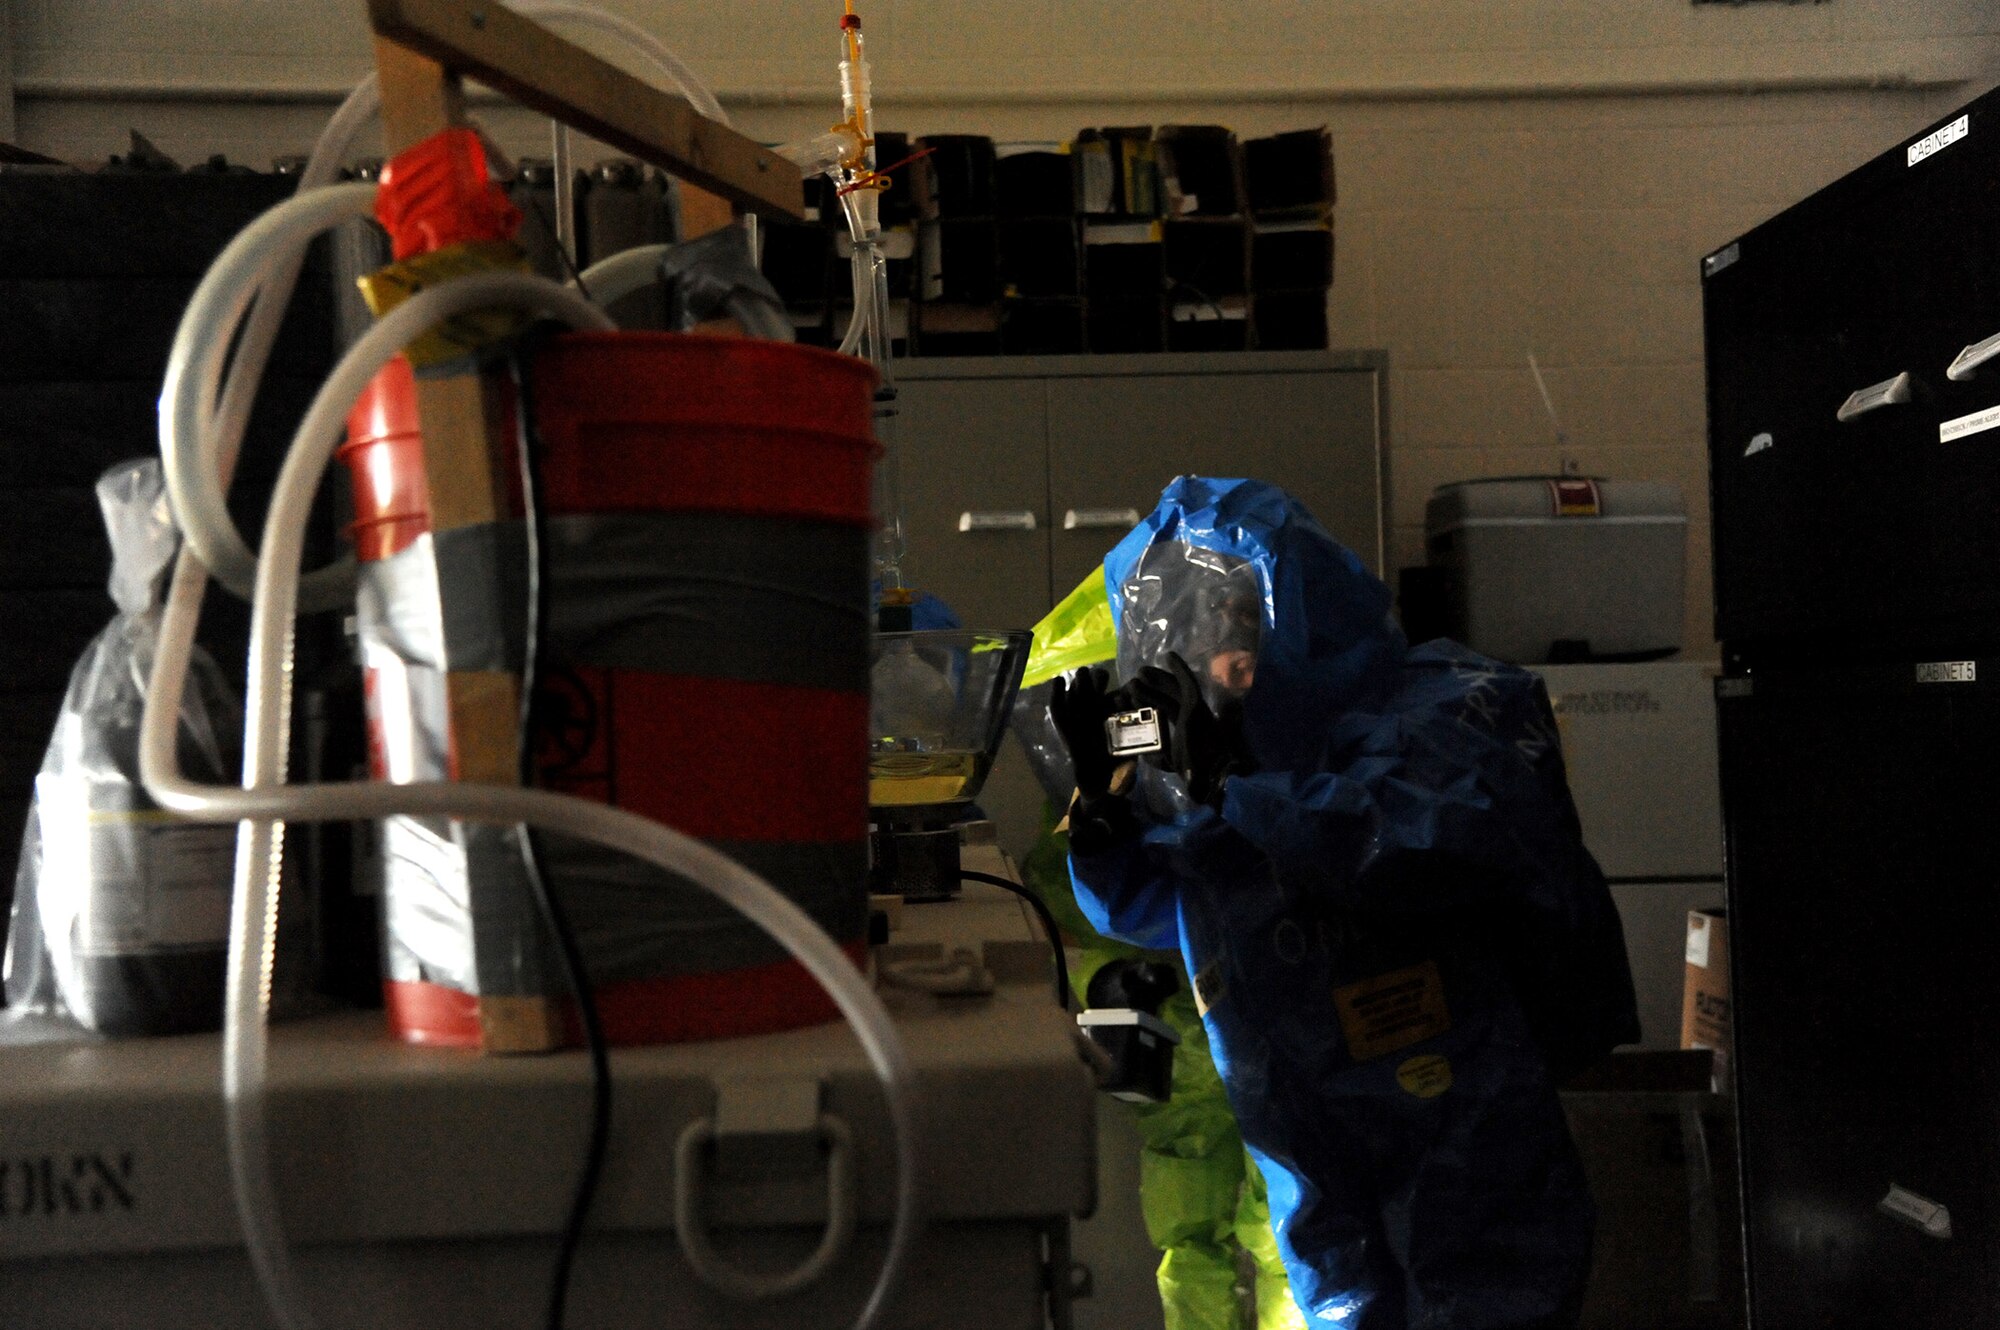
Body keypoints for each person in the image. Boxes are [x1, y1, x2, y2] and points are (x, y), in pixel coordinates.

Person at [1048, 476, 1638, 1329]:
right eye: (1194, 637)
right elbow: (1153, 908)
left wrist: (1231, 785)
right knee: (1341, 1302)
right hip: (1308, 1138)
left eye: (1241, 628)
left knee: (1487, 1297)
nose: (1221, 665)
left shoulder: (1444, 708)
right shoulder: (1228, 764)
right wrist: (1102, 815)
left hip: (1460, 1128)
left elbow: (1403, 851)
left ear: (1305, 617)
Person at [1014, 568, 1305, 1330]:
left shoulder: (1281, 753)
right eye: (1232, 658)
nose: (1243, 677)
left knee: (1289, 1233)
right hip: (1181, 1044)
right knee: (1191, 1231)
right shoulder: (1126, 764)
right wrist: (1104, 981)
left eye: (1254, 657)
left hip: (1268, 1032)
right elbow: (1068, 903)